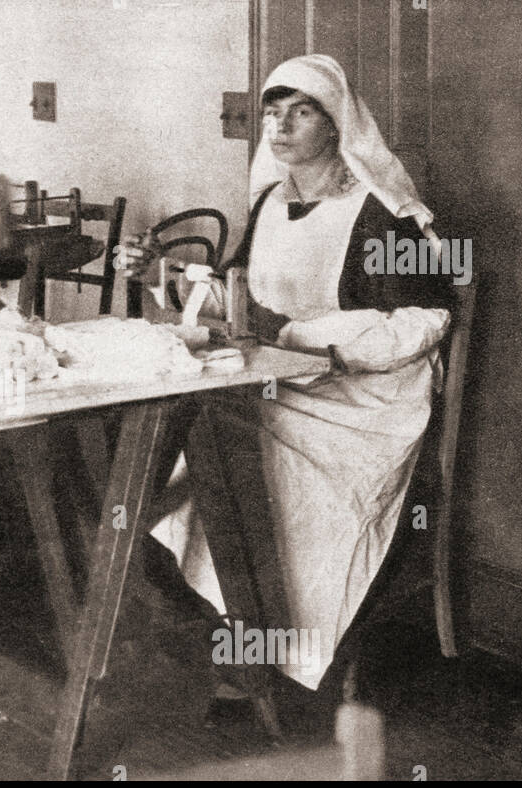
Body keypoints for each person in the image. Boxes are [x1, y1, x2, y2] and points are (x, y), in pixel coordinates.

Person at [126, 55, 457, 695]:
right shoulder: (273, 203)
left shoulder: (381, 214)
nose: (280, 126)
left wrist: (302, 335)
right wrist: (157, 276)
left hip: (365, 404)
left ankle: (269, 642)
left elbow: (426, 320)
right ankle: (241, 620)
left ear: (335, 126)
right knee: (204, 430)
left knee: (232, 448)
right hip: (282, 384)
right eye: (272, 113)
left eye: (299, 112)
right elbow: (238, 299)